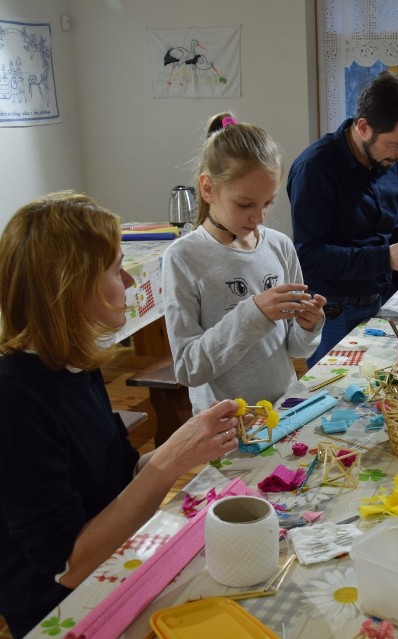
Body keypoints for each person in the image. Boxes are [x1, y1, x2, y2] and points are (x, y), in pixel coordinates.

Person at [0, 192, 243, 637]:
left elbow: (117, 475)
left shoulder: (75, 363)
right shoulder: (14, 399)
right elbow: (69, 567)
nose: (130, 284)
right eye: (115, 270)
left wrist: (187, 446)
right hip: (62, 608)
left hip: (115, 564)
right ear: (71, 287)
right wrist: (170, 461)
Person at [163, 113, 325, 414]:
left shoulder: (279, 246)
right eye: (245, 204)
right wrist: (253, 313)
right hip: (227, 423)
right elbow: (188, 369)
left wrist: (309, 326)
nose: (259, 218)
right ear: (208, 188)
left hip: (284, 408)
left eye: (268, 203)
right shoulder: (184, 257)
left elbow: (296, 348)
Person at [287, 72, 398, 367]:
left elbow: (394, 234)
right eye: (397, 144)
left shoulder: (391, 164)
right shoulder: (315, 168)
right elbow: (311, 257)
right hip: (332, 311)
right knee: (332, 397)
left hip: (379, 302)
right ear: (364, 127)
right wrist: (385, 258)